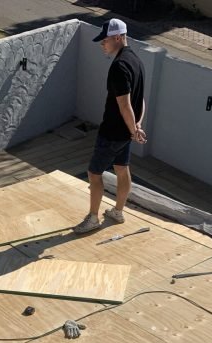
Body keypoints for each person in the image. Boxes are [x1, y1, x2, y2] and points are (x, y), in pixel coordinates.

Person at [73, 18, 146, 234]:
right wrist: (137, 126)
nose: (101, 44)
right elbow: (140, 100)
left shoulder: (119, 66)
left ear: (118, 38)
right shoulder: (136, 61)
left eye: (104, 40)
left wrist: (134, 130)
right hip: (125, 133)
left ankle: (93, 218)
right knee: (122, 169)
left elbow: (124, 104)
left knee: (94, 173)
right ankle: (118, 212)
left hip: (113, 132)